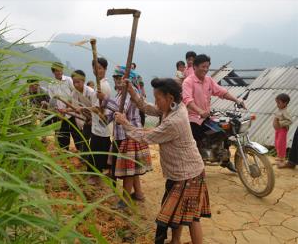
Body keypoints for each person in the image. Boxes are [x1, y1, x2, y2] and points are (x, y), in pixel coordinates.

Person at [115, 78, 211, 244]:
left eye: (158, 98)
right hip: (179, 173)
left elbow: (146, 136)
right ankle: (175, 241)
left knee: (192, 218)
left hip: (189, 174)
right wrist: (131, 90)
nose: (157, 103)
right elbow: (148, 107)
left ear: (170, 98)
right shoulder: (173, 107)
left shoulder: (174, 121)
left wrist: (125, 123)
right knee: (178, 213)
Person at [97, 66, 152, 209]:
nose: (115, 80)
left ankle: (126, 199)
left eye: (118, 78)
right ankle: (138, 194)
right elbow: (113, 114)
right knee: (131, 168)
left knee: (128, 170)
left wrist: (105, 99)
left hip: (130, 136)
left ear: (125, 80)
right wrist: (103, 117)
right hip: (122, 135)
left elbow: (122, 109)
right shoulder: (119, 95)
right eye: (115, 78)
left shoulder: (129, 94)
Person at [182, 54, 245, 172]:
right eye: (203, 66)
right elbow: (187, 99)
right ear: (195, 67)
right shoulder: (188, 82)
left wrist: (237, 100)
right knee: (196, 139)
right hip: (192, 118)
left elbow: (221, 92)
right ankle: (195, 164)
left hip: (206, 116)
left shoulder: (208, 80)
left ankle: (225, 160)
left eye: (207, 67)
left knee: (224, 131)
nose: (205, 69)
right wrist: (199, 111)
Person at [87, 58, 112, 185]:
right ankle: (102, 172)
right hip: (99, 124)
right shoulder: (100, 84)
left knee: (98, 149)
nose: (97, 71)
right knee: (100, 148)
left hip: (102, 125)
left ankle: (96, 176)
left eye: (100, 68)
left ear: (105, 69)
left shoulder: (102, 86)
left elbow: (98, 108)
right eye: (95, 68)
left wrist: (83, 109)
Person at [43, 62, 74, 150]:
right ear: (53, 72)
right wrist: (58, 112)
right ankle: (64, 151)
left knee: (75, 132)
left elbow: (73, 93)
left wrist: (69, 107)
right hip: (59, 113)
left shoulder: (68, 80)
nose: (59, 72)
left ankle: (80, 150)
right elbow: (52, 100)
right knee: (62, 133)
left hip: (71, 111)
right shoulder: (51, 84)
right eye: (57, 71)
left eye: (60, 70)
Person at [70, 70, 94, 153]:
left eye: (78, 82)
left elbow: (96, 108)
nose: (76, 85)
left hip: (96, 118)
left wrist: (93, 119)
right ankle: (84, 157)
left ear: (83, 81)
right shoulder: (74, 93)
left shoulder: (91, 92)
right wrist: (65, 110)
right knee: (84, 137)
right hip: (86, 119)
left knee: (94, 139)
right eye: (74, 82)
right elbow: (75, 108)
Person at [273, 93, 292, 165]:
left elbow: (290, 121)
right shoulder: (280, 110)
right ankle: (279, 156)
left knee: (281, 143)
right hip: (278, 130)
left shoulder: (285, 111)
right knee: (277, 142)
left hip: (282, 130)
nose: (277, 104)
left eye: (279, 103)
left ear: (285, 103)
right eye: (276, 102)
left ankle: (282, 158)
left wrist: (280, 123)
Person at [131, 62, 147, 126]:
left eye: (132, 68)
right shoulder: (125, 75)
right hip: (130, 97)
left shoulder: (138, 77)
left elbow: (142, 86)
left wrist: (144, 95)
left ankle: (142, 125)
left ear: (134, 68)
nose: (131, 69)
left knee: (141, 111)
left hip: (138, 95)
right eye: (130, 68)